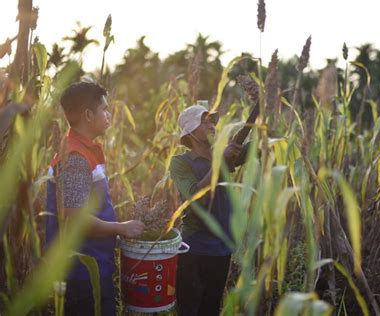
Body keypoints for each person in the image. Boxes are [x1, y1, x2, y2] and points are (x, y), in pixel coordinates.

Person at [45, 81, 145, 315]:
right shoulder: (75, 157)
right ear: (88, 115)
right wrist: (121, 228)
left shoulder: (85, 150)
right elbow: (75, 219)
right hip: (81, 273)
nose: (108, 114)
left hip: (93, 265)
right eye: (104, 109)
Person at [169, 103, 248, 316]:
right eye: (203, 122)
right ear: (190, 133)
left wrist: (260, 99)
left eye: (211, 120)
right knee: (189, 309)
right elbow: (196, 197)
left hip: (221, 248)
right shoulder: (180, 163)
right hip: (194, 249)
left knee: (211, 308)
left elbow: (255, 146)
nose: (211, 124)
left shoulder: (223, 155)